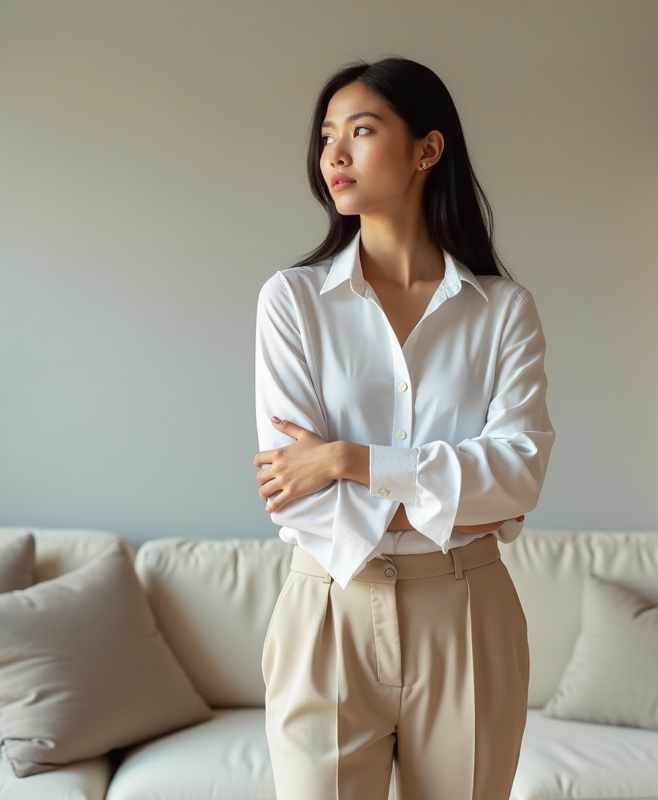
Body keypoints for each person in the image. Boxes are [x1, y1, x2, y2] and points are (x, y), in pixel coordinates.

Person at [252, 55, 554, 800]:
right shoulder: (292, 302)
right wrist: (457, 494)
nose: (335, 156)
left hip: (467, 614)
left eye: (362, 130)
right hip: (327, 609)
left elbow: (521, 475)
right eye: (327, 136)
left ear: (428, 148)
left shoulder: (502, 310)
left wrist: (349, 458)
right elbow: (295, 492)